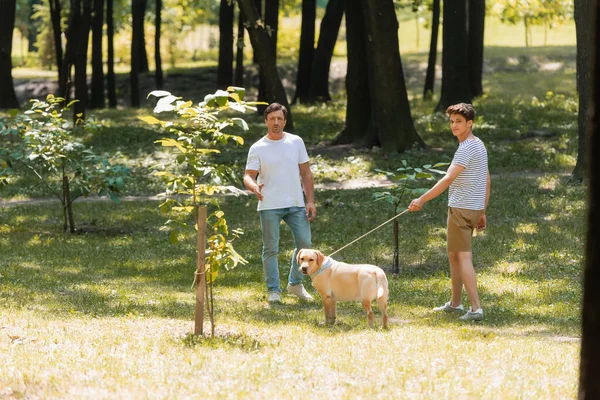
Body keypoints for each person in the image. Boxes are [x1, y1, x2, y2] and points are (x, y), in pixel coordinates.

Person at [408, 103, 490, 321]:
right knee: (454, 256)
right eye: (452, 121)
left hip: (461, 210)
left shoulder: (466, 148)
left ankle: (475, 308)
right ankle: (455, 303)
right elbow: (486, 178)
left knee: (463, 258)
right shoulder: (479, 145)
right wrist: (482, 211)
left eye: (459, 122)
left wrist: (421, 200)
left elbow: (447, 179)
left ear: (469, 123)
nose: (454, 126)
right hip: (472, 209)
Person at [244, 103, 317, 304]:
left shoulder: (296, 142)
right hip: (269, 204)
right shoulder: (258, 147)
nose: (276, 122)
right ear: (266, 121)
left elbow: (306, 173)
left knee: (305, 245)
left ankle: (295, 283)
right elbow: (249, 175)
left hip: (296, 203)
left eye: (279, 119)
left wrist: (310, 201)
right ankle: (273, 290)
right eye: (272, 119)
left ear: (284, 121)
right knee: (270, 248)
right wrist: (254, 188)